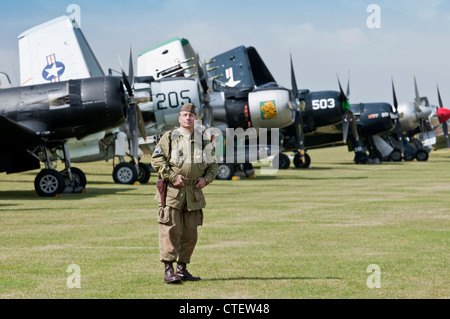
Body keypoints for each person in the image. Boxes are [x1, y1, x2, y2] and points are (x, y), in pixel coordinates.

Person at [151, 103, 218, 284]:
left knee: (190, 235)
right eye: (184, 115)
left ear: (195, 118)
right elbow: (157, 159)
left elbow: (213, 165)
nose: (188, 118)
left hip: (194, 193)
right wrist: (172, 177)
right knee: (171, 231)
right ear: (179, 118)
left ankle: (182, 270)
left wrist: (206, 179)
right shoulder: (169, 137)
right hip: (173, 192)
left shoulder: (203, 140)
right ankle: (168, 271)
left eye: (191, 115)